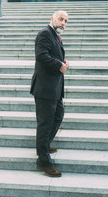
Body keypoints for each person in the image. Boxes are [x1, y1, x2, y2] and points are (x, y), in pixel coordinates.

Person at [30, 10, 69, 177]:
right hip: (45, 88)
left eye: (66, 21)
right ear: (52, 18)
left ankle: (44, 146)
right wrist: (59, 64)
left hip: (54, 88)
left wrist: (63, 60)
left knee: (58, 115)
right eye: (61, 19)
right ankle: (44, 161)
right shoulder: (45, 33)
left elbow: (52, 54)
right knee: (45, 124)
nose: (63, 23)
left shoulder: (55, 35)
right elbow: (41, 55)